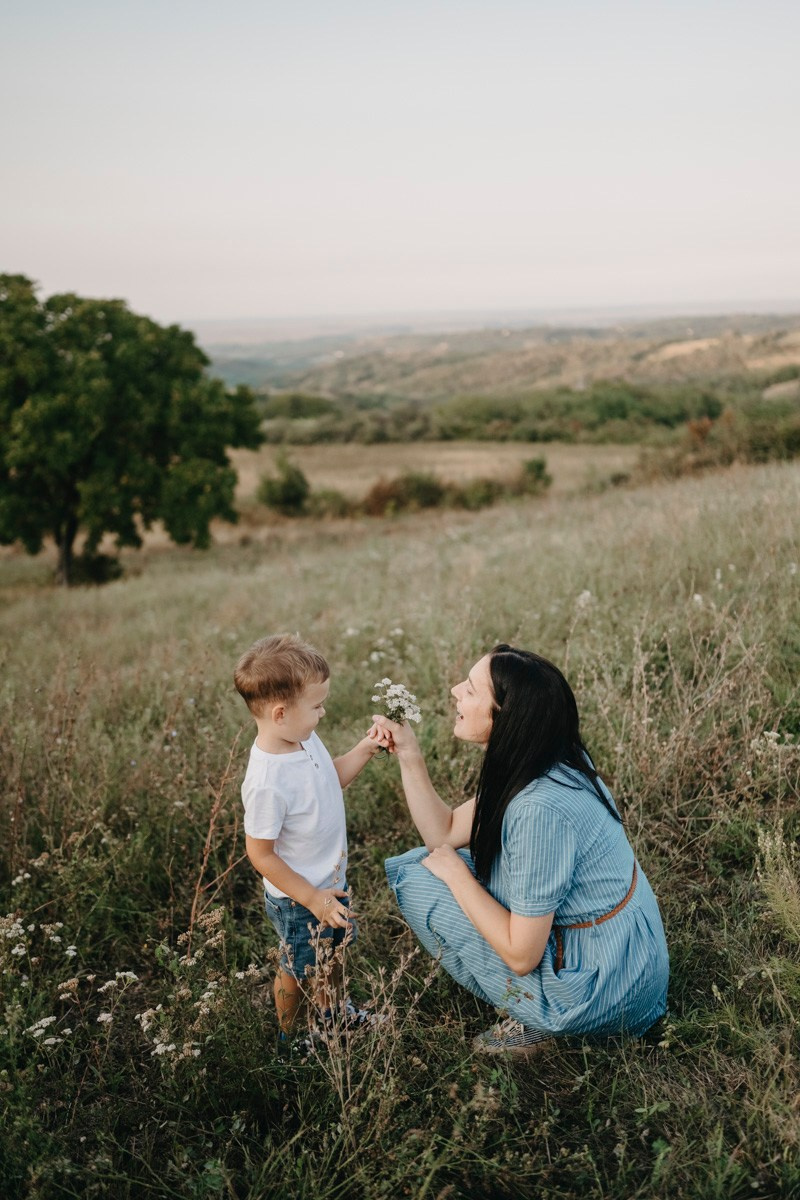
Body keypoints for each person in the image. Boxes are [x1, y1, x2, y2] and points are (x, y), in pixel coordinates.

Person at [375, 644, 669, 1056]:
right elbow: (442, 833)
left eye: (473, 690)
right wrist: (409, 755)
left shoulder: (538, 808)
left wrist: (458, 877)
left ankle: (542, 1020)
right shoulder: (548, 758)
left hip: (602, 990)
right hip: (629, 958)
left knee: (423, 879)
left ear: (504, 717)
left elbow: (520, 956)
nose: (455, 690)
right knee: (436, 861)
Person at [234, 632, 388, 1034]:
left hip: (329, 883)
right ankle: (290, 1037)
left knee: (332, 958)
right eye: (317, 706)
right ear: (280, 713)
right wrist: (313, 898)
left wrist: (365, 749)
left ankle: (334, 1015)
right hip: (300, 898)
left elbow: (329, 779)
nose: (323, 713)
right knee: (297, 970)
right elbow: (261, 854)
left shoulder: (302, 740)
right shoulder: (268, 780)